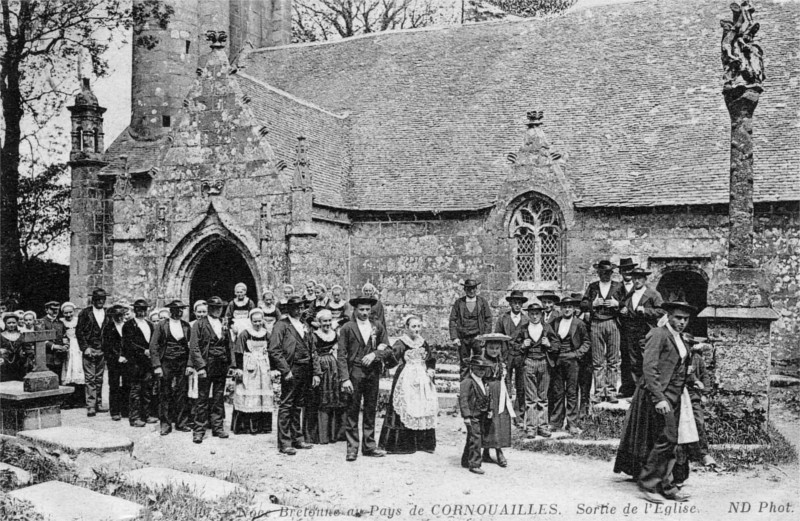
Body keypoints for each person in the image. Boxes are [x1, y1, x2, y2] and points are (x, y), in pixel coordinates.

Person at [614, 300, 696, 503]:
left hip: (675, 396)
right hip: (659, 396)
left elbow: (678, 365)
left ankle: (667, 486)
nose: (682, 322)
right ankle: (648, 484)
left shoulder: (680, 338)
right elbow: (649, 368)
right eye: (678, 318)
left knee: (670, 441)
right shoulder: (658, 334)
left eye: (685, 319)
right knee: (667, 439)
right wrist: (659, 398)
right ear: (668, 316)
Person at [337, 295, 392, 461]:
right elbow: (341, 354)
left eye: (368, 309)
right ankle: (352, 447)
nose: (365, 313)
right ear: (355, 310)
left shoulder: (377, 326)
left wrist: (375, 354)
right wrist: (345, 378)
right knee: (352, 409)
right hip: (355, 372)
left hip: (372, 373)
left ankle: (369, 445)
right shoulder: (347, 328)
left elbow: (387, 348)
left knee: (370, 409)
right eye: (361, 309)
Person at [268, 295, 321, 454]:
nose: (299, 310)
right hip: (291, 369)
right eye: (295, 307)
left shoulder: (304, 325)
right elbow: (274, 349)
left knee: (298, 405)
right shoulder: (282, 325)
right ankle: (284, 443)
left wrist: (316, 372)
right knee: (286, 405)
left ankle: (297, 439)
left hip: (305, 369)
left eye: (301, 307)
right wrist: (285, 370)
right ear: (289, 309)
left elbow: (312, 349)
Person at [379, 315, 438, 454]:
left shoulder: (423, 342)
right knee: (405, 404)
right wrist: (385, 351)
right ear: (406, 328)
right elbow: (392, 360)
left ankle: (423, 443)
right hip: (406, 377)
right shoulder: (401, 343)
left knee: (422, 406)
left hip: (422, 378)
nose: (416, 329)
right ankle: (402, 445)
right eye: (413, 326)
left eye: (418, 326)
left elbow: (430, 358)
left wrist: (430, 369)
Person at [673, 333, 716, 484]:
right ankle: (680, 457)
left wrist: (704, 393)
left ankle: (702, 453)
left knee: (698, 422)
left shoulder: (697, 359)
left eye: (690, 345)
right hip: (678, 393)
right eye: (685, 344)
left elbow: (705, 377)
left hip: (693, 396)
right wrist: (693, 380)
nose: (687, 347)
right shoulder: (677, 359)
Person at [582, 260, 626, 404]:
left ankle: (611, 391)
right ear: (598, 273)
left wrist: (617, 304)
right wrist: (592, 304)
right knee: (598, 360)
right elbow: (583, 303)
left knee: (613, 359)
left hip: (612, 322)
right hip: (596, 323)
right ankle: (599, 391)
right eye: (602, 273)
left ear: (612, 273)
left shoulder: (618, 286)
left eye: (608, 272)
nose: (605, 275)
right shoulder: (593, 287)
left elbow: (626, 304)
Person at [189, 296, 232, 443]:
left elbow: (229, 345)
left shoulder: (223, 324)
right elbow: (194, 348)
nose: (217, 310)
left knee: (219, 398)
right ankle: (199, 430)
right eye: (214, 307)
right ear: (209, 308)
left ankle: (217, 427)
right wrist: (200, 367)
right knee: (202, 398)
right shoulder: (199, 324)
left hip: (221, 365)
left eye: (219, 308)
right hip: (206, 365)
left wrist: (231, 365)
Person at [618, 268, 664, 398]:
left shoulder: (652, 294)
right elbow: (625, 309)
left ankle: (649, 392)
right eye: (634, 278)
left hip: (646, 332)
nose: (636, 281)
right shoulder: (630, 295)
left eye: (639, 278)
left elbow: (662, 311)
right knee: (633, 362)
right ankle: (635, 392)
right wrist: (624, 311)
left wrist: (646, 311)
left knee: (646, 361)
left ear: (645, 279)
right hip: (631, 333)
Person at [516, 301, 559, 438]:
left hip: (543, 363)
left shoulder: (546, 327)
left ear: (541, 314)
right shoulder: (523, 329)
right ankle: (531, 427)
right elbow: (513, 344)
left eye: (537, 314)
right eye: (532, 314)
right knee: (530, 398)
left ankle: (542, 426)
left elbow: (557, 344)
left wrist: (549, 344)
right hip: (528, 362)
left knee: (543, 397)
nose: (535, 316)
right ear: (528, 315)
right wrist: (522, 345)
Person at [549, 295, 590, 434]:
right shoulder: (555, 322)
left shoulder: (579, 323)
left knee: (572, 392)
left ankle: (572, 423)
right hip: (558, 360)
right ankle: (556, 422)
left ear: (573, 309)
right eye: (564, 307)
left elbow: (586, 342)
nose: (567, 309)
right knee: (558, 392)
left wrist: (577, 354)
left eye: (569, 307)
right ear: (561, 308)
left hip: (572, 360)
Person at [231, 308, 275, 435]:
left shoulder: (267, 334)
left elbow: (272, 352)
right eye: (255, 321)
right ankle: (247, 427)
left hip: (263, 367)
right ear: (251, 321)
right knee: (249, 394)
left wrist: (272, 368)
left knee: (262, 395)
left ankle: (263, 426)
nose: (257, 323)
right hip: (249, 366)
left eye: (259, 321)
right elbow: (238, 352)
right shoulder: (245, 334)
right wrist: (238, 368)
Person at [151, 300, 192, 436]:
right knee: (165, 392)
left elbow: (191, 346)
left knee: (182, 392)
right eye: (177, 309)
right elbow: (154, 346)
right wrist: (157, 365)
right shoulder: (162, 325)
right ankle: (165, 424)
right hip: (166, 362)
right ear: (171, 311)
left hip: (182, 362)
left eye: (181, 310)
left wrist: (190, 364)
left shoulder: (186, 326)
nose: (180, 312)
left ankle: (181, 422)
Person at [305, 309, 345, 444]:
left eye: (329, 321)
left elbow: (340, 349)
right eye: (324, 321)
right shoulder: (314, 335)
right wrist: (316, 372)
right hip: (320, 367)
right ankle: (319, 435)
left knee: (334, 397)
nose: (327, 323)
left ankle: (333, 433)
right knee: (320, 398)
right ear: (319, 322)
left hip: (333, 367)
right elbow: (313, 354)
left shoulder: (335, 334)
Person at [478, 333, 515, 467]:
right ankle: (490, 451)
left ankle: (497, 451)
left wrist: (509, 392)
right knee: (489, 422)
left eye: (497, 348)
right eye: (491, 348)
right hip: (488, 394)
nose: (494, 351)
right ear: (486, 347)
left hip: (501, 393)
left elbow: (506, 378)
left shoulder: (501, 362)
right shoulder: (481, 362)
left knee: (500, 422)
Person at [494, 290, 529, 424]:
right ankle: (506, 415)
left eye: (519, 303)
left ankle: (519, 415)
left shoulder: (526, 319)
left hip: (521, 356)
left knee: (521, 386)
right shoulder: (503, 319)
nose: (517, 305)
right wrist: (499, 356)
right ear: (510, 304)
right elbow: (497, 338)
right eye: (515, 303)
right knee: (506, 384)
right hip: (506, 355)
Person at [449, 279, 493, 379]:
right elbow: (452, 320)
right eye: (469, 288)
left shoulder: (482, 302)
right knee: (464, 363)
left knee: (480, 363)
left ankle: (479, 388)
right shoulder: (459, 303)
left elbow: (488, 319)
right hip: (463, 338)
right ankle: (465, 390)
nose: (471, 291)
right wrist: (454, 337)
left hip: (478, 337)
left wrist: (484, 337)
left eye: (473, 288)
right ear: (465, 289)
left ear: (476, 289)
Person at [122, 299, 157, 427]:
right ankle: (134, 417)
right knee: (135, 390)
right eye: (139, 309)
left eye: (144, 309)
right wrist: (143, 351)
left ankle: (146, 415)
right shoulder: (129, 325)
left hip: (147, 363)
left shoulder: (150, 324)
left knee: (147, 389)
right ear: (135, 310)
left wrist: (150, 352)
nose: (141, 312)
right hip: (135, 363)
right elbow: (128, 343)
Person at [76, 288, 110, 416]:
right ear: (93, 300)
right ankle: (90, 405)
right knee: (90, 378)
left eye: (103, 299)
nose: (100, 301)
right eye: (98, 299)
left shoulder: (107, 313)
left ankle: (99, 403)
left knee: (99, 378)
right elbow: (79, 332)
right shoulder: (85, 313)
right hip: (90, 349)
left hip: (102, 349)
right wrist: (85, 348)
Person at [459, 355, 494, 475]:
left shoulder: (484, 381)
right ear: (472, 368)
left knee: (472, 437)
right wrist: (466, 416)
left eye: (484, 369)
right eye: (479, 368)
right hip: (473, 415)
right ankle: (475, 463)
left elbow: (488, 396)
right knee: (476, 438)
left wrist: (490, 409)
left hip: (482, 413)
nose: (482, 371)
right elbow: (463, 400)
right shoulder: (467, 382)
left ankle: (466, 460)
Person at [101, 304, 130, 421]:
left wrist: (127, 356)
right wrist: (117, 356)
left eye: (121, 315)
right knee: (114, 385)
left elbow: (130, 343)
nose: (119, 318)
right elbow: (107, 346)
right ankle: (114, 411)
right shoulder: (108, 328)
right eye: (116, 316)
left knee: (127, 384)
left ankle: (125, 409)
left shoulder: (128, 327)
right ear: (113, 316)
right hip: (114, 361)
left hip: (127, 360)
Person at [60, 302, 85, 408]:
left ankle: (80, 399)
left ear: (74, 312)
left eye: (70, 312)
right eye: (66, 313)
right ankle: (68, 400)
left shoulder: (78, 321)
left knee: (79, 370)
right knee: (68, 370)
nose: (68, 315)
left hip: (78, 347)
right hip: (67, 347)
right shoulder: (61, 322)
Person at [42, 301, 68, 380]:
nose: (55, 311)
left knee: (58, 380)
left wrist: (66, 346)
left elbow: (65, 336)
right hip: (47, 357)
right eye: (52, 309)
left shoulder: (60, 323)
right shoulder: (41, 322)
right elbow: (39, 340)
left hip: (59, 357)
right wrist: (53, 346)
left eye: (57, 309)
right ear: (46, 310)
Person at [1, 314, 26, 381]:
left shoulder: (21, 335)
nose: (11, 325)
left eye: (13, 323)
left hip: (19, 363)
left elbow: (26, 348)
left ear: (17, 323)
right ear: (5, 324)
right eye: (9, 323)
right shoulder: (1, 336)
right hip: (5, 363)